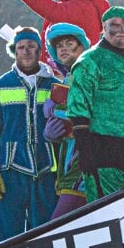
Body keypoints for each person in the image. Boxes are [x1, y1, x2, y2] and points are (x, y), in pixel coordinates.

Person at [0, 27, 60, 243]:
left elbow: (66, 135)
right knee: (6, 237)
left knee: (44, 236)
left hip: (46, 172)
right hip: (10, 172)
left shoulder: (56, 87)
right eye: (21, 47)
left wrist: (62, 174)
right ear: (14, 51)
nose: (26, 51)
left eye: (31, 47)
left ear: (40, 50)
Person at [67, 7, 124, 202]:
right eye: (115, 25)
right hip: (101, 151)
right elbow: (78, 107)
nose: (121, 30)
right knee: (108, 210)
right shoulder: (90, 61)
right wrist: (85, 152)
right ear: (103, 27)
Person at [43, 23, 90, 218]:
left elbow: (88, 113)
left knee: (58, 224)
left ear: (82, 48)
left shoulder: (89, 75)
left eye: (69, 43)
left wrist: (58, 112)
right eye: (59, 45)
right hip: (68, 166)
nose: (62, 49)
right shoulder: (66, 80)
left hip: (85, 166)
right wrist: (51, 134)